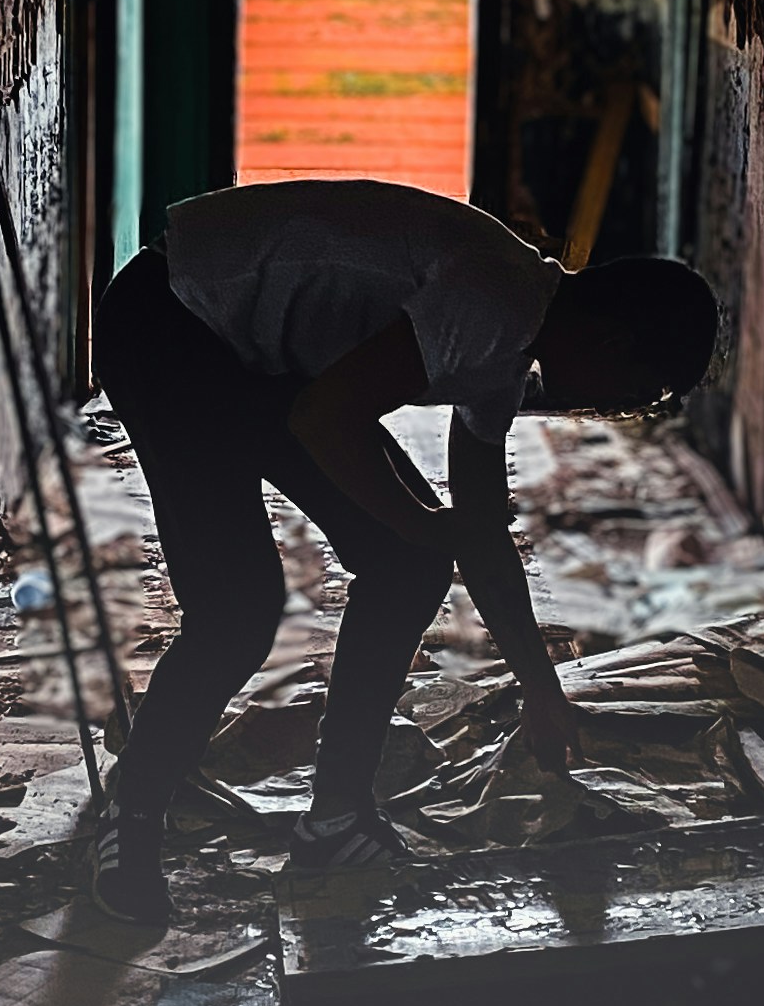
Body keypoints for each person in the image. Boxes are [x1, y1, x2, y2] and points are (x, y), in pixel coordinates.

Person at [88, 177, 719, 924]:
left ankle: (334, 820)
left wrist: (541, 690)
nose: (611, 410)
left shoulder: (513, 346)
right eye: (635, 393)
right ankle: (130, 816)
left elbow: (478, 533)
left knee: (409, 561)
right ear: (614, 341)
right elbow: (326, 419)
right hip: (170, 319)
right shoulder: (493, 305)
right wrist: (422, 523)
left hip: (259, 357)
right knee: (237, 611)